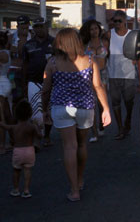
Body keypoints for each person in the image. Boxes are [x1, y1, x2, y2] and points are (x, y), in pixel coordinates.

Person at [40, 28, 110, 202]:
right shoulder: (89, 60)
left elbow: (46, 89)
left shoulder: (53, 62)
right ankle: (79, 180)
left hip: (62, 107)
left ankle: (74, 190)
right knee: (81, 145)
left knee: (69, 146)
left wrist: (44, 109)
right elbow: (98, 86)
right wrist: (106, 109)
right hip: (85, 108)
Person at [22, 17, 54, 146]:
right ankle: (37, 137)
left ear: (46, 26)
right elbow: (24, 65)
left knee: (49, 110)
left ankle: (46, 136)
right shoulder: (28, 45)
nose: (39, 29)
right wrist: (24, 84)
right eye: (36, 27)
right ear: (33, 28)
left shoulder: (55, 42)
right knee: (35, 112)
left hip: (52, 82)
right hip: (33, 82)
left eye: (41, 26)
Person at [107, 10, 137, 140]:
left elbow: (138, 51)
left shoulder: (132, 35)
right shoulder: (109, 34)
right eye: (114, 21)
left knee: (129, 102)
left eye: (119, 21)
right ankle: (120, 128)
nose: (117, 23)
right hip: (113, 74)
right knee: (115, 102)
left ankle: (128, 120)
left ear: (125, 21)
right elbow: (102, 50)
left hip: (129, 74)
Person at [80, 19, 109, 142]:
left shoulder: (105, 42)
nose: (94, 31)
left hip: (103, 74)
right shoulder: (84, 44)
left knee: (102, 103)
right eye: (91, 29)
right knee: (91, 104)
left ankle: (101, 126)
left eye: (96, 28)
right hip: (90, 75)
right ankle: (94, 132)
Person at [3, 100, 38, 198]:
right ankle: (26, 190)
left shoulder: (14, 127)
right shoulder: (31, 126)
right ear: (30, 113)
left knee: (16, 170)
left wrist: (1, 122)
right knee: (27, 170)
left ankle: (16, 189)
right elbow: (39, 135)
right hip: (29, 151)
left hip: (18, 151)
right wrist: (37, 126)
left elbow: (5, 127)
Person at [0, 32, 12, 154]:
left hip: (1, 84)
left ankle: (2, 145)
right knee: (7, 114)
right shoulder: (6, 52)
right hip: (5, 82)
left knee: (1, 116)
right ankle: (14, 140)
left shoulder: (2, 54)